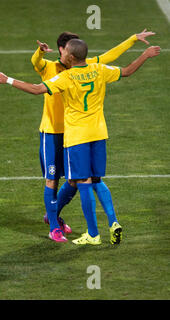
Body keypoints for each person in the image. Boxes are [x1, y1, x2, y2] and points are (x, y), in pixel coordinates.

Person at [0, 40, 160, 245]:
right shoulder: (99, 69)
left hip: (76, 137)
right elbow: (127, 71)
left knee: (82, 183)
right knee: (96, 180)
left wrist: (8, 79)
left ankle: (93, 234)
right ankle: (108, 222)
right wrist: (145, 54)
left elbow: (35, 89)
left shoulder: (66, 77)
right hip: (98, 134)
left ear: (69, 57)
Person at [31, 30, 155, 243]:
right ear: (63, 50)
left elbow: (110, 56)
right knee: (53, 178)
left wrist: (132, 39)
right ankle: (54, 227)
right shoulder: (50, 67)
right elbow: (36, 62)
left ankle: (56, 217)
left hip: (74, 134)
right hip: (52, 132)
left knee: (74, 181)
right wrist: (39, 52)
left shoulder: (82, 65)